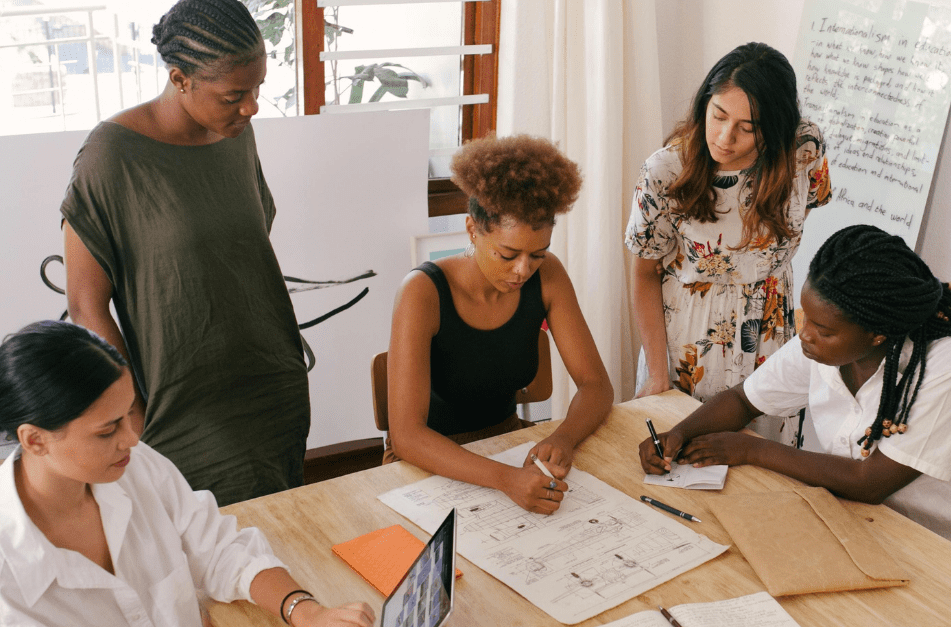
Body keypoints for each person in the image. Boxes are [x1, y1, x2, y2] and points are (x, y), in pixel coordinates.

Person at [639, 225, 951, 571]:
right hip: (865, 530)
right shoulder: (823, 346)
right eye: (808, 320)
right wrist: (679, 434)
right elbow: (743, 400)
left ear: (878, 333)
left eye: (823, 330)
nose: (805, 335)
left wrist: (752, 449)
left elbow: (870, 482)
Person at [61, 0, 309, 505]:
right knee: (204, 539)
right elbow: (86, 305)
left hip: (272, 384)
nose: (251, 107)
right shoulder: (111, 156)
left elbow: (242, 250)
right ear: (180, 79)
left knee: (279, 530)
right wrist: (130, 412)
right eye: (234, 95)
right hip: (183, 405)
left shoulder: (235, 134)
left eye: (257, 88)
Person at [0, 321, 373, 627]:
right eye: (107, 430)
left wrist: (306, 612)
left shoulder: (135, 466)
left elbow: (219, 551)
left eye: (129, 414)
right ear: (35, 440)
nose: (132, 438)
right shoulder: (8, 578)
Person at [386, 134, 614, 515]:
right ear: (472, 230)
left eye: (537, 254)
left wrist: (564, 437)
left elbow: (597, 385)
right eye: (508, 255)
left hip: (506, 447)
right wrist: (506, 479)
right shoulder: (422, 292)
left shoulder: (548, 276)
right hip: (427, 463)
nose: (523, 270)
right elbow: (407, 436)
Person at [625, 42, 833, 447]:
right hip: (691, 339)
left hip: (772, 331)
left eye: (747, 127)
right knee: (684, 456)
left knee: (766, 463)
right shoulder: (665, 170)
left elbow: (798, 216)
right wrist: (658, 372)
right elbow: (644, 273)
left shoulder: (803, 149)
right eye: (718, 115)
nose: (724, 137)